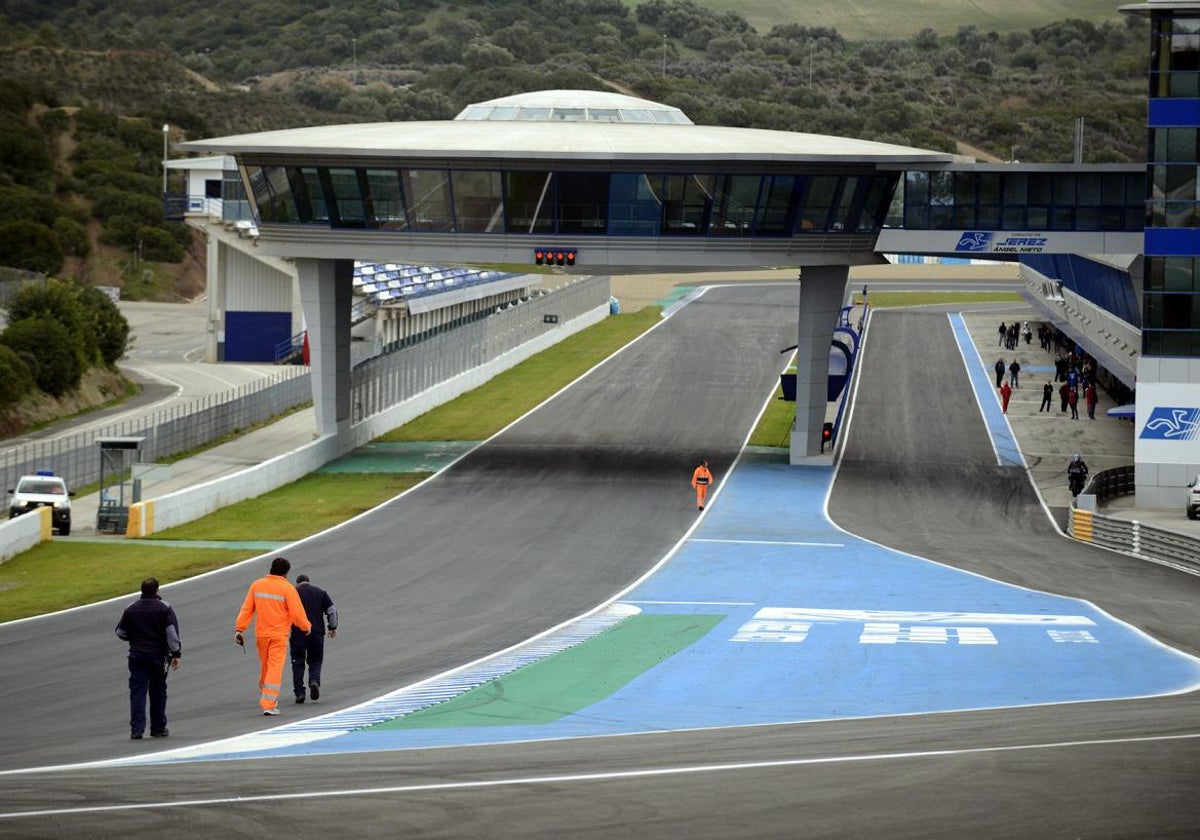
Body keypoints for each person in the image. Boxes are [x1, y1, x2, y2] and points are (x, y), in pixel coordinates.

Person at [235, 557, 311, 716]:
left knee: (266, 667)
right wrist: (306, 627)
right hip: (278, 635)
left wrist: (240, 629)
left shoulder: (257, 585)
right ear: (286, 573)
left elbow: (247, 609)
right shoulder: (287, 588)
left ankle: (265, 690)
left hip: (262, 635)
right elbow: (297, 614)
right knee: (274, 668)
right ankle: (268, 703)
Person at [115, 577, 181, 740]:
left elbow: (120, 632)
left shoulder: (131, 608)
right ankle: (158, 728)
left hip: (136, 655)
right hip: (160, 657)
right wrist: (176, 653)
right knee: (159, 689)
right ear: (157, 590)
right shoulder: (164, 608)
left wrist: (134, 638)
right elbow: (171, 634)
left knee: (137, 691)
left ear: (142, 590)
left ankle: (136, 730)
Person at [290, 574, 338, 704]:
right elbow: (332, 610)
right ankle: (314, 681)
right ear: (309, 582)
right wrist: (332, 627)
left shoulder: (292, 593)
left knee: (297, 662)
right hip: (317, 633)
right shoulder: (320, 592)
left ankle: (299, 692)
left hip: (297, 634)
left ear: (297, 583)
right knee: (315, 660)